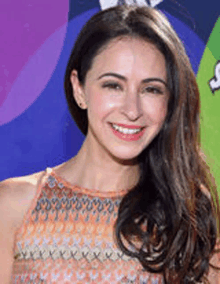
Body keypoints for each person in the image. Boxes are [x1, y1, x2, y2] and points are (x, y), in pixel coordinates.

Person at [0, 5, 219, 284]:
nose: (132, 110)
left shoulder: (186, 216)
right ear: (79, 89)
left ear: (169, 101)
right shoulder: (13, 205)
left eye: (151, 89)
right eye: (113, 85)